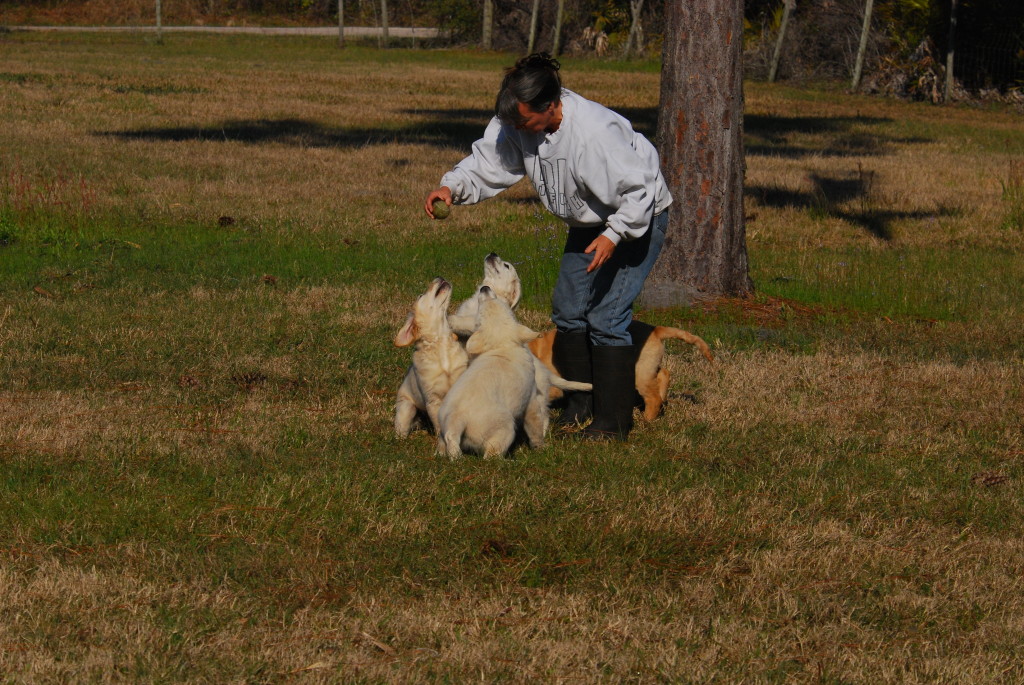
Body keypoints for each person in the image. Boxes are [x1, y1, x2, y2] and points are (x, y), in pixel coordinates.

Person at [424, 53, 672, 440]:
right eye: (513, 122)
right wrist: (452, 187)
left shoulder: (595, 132)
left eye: (524, 121)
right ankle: (579, 405)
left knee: (607, 318)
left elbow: (640, 188)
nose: (517, 129)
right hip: (589, 222)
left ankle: (613, 421)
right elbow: (491, 161)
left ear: (551, 105)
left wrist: (614, 234)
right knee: (569, 308)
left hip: (638, 219)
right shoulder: (518, 121)